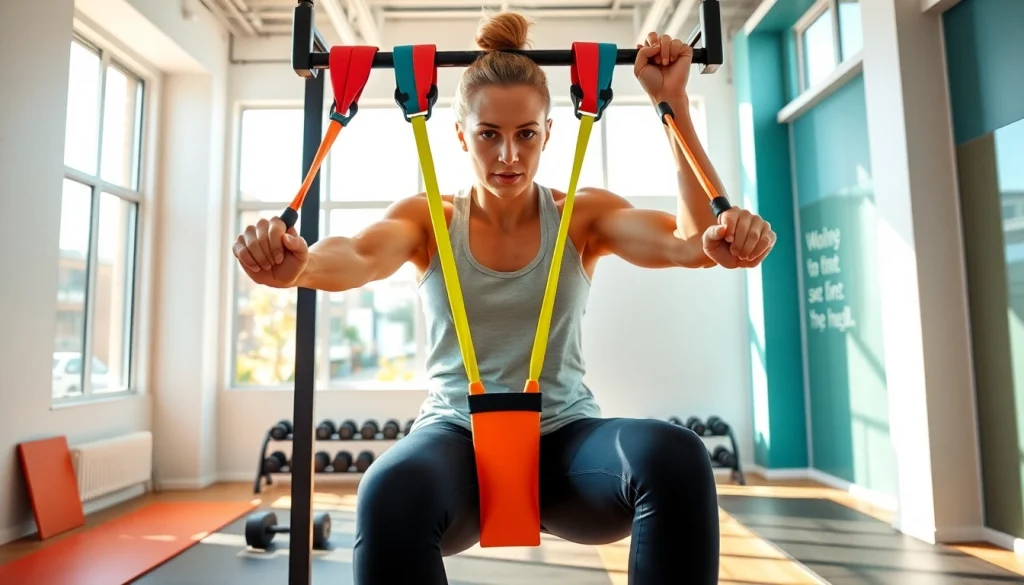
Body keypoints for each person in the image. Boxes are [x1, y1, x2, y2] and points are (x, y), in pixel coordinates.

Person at [233, 11, 775, 584]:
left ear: (548, 133)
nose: (509, 156)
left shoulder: (579, 216)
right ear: (462, 135)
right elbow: (359, 254)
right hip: (455, 443)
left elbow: (691, 244)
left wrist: (674, 105)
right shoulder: (431, 219)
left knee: (677, 456)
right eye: (489, 134)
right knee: (387, 490)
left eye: (526, 135)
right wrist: (301, 267)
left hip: (566, 446)